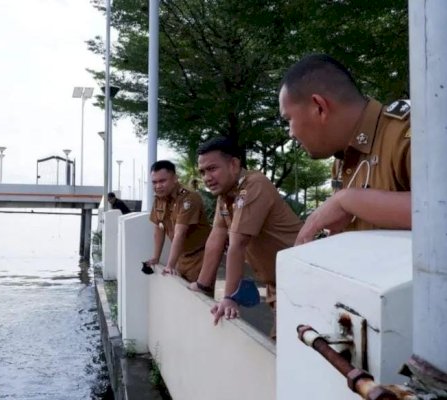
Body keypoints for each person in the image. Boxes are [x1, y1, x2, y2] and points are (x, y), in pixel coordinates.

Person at [278, 54, 411, 245]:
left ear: (319, 107)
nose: (290, 133)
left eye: (289, 119)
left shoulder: (407, 133)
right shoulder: (342, 159)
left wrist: (348, 200)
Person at [189, 137, 303, 330]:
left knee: (292, 347)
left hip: (302, 282)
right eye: (202, 171)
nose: (206, 177)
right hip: (278, 285)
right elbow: (216, 238)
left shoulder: (254, 185)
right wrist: (201, 286)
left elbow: (238, 243)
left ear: (234, 164)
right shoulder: (225, 196)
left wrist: (230, 298)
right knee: (281, 346)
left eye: (212, 169)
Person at [147, 160, 211, 282]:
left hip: (200, 257)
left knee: (197, 295)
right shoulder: (159, 199)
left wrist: (170, 265)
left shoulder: (189, 198)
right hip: (182, 256)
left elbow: (180, 233)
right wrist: (156, 258)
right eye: (154, 182)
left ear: (175, 178)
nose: (158, 186)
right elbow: (159, 229)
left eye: (162, 181)